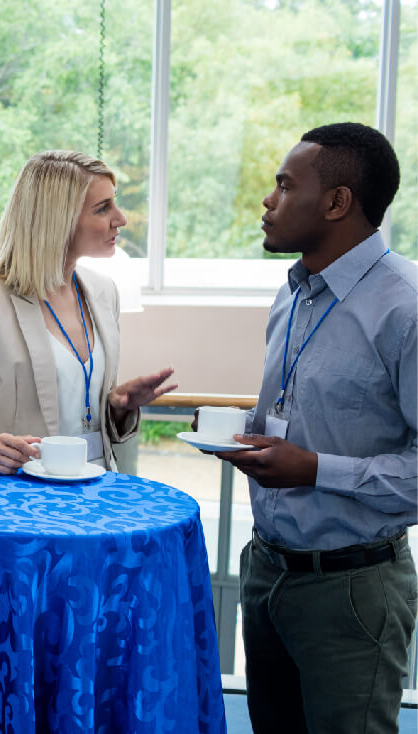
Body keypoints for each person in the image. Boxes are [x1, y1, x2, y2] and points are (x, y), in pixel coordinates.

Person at [215, 123, 415, 733]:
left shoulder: (405, 307)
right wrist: (236, 434)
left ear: (337, 202)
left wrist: (313, 469)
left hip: (351, 591)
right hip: (269, 571)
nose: (267, 202)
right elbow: (302, 411)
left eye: (283, 185)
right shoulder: (296, 290)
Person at [0, 150, 176, 474]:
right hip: (20, 500)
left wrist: (117, 407)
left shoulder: (103, 293)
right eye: (103, 208)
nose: (121, 219)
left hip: (98, 493)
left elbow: (86, 417)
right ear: (57, 219)